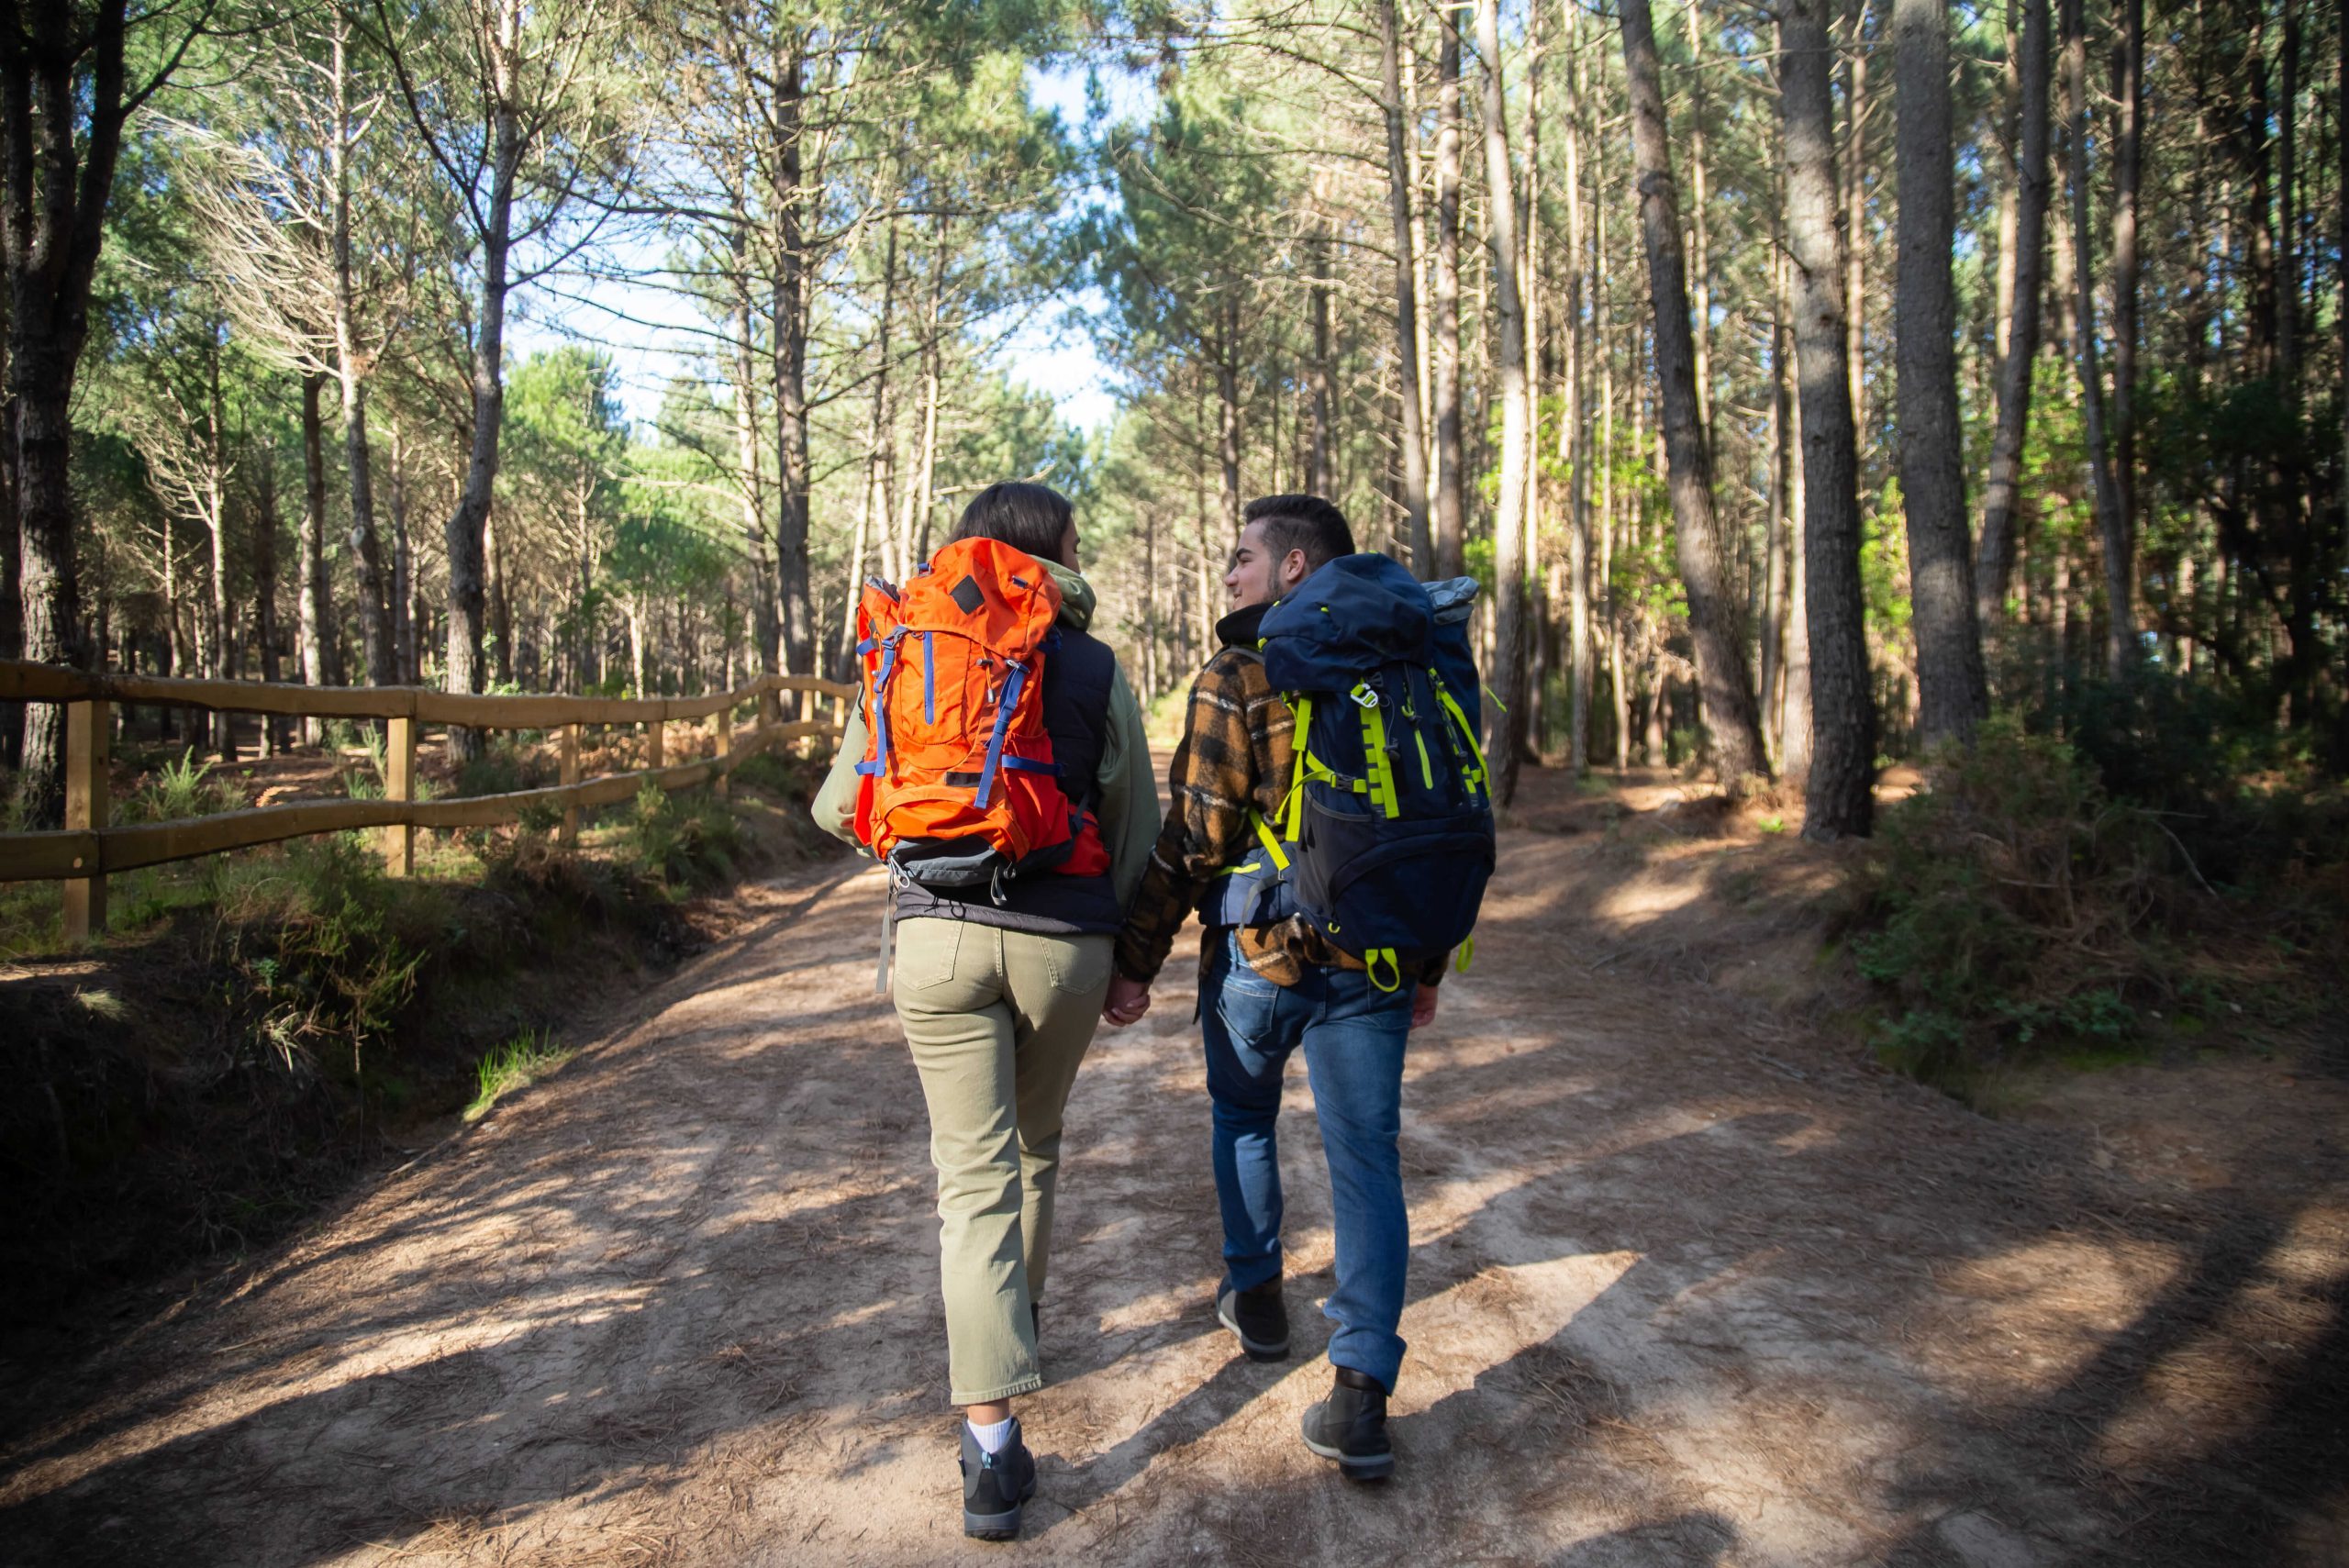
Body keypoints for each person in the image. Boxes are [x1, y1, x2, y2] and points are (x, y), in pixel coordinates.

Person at [812, 481, 1159, 1539]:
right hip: (1064, 946)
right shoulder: (1096, 666)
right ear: (1057, 554)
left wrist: (931, 853)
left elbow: (837, 807)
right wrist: (1129, 956)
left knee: (969, 1176)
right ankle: (1016, 1320)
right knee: (1034, 1147)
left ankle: (992, 1448)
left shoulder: (914, 649)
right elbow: (1134, 825)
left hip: (936, 939)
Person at [1102, 493, 1448, 1483]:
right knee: (1366, 1162)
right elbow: (1430, 819)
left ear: (1297, 567)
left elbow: (1199, 835)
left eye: (1244, 556)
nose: (1230, 573)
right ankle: (1359, 1392)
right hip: (1376, 959)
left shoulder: (1237, 671)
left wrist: (1136, 952)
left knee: (1244, 1118)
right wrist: (1423, 962)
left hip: (1260, 954)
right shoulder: (1410, 663)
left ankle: (1256, 1295)